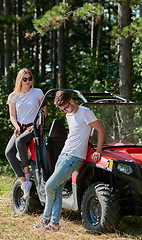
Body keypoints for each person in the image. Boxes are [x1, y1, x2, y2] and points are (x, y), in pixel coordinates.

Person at [34, 90, 106, 231]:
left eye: (66, 107)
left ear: (72, 101)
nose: (65, 111)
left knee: (49, 186)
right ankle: (54, 224)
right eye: (62, 110)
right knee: (57, 188)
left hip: (74, 157)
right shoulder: (69, 115)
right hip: (64, 154)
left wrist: (98, 151)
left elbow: (101, 130)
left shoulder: (85, 112)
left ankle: (45, 218)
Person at [5, 68, 45, 200]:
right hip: (21, 128)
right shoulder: (13, 96)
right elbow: (12, 115)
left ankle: (27, 173)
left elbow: (44, 113)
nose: (28, 81)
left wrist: (37, 125)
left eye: (30, 79)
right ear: (20, 80)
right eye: (25, 79)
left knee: (19, 141)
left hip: (34, 128)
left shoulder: (38, 92)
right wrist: (16, 127)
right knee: (9, 152)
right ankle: (24, 181)